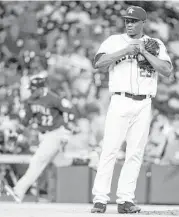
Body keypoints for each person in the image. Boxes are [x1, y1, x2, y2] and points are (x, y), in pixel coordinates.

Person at [91, 6, 172, 214]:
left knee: (135, 153)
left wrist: (144, 52)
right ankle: (100, 199)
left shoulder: (155, 44)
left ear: (143, 23)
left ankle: (125, 200)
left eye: (133, 20)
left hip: (144, 103)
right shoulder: (114, 41)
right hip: (120, 100)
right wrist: (125, 51)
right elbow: (98, 63)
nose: (129, 23)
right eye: (127, 20)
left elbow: (166, 70)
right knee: (109, 150)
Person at [4, 71, 77, 202]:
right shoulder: (30, 101)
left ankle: (18, 191)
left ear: (41, 88)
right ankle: (89, 162)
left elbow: (70, 111)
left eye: (33, 88)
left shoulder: (53, 98)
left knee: (37, 161)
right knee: (60, 162)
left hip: (56, 133)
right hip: (42, 136)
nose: (31, 91)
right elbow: (25, 121)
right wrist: (16, 133)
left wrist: (67, 131)